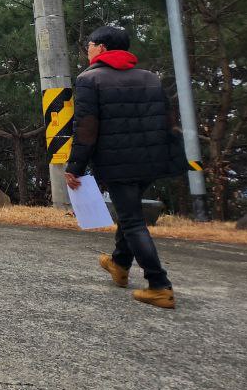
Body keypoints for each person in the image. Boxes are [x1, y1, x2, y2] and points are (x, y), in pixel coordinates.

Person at [66, 25, 178, 309]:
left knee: (132, 221)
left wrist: (75, 166)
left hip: (118, 163)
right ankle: (119, 264)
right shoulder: (149, 78)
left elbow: (86, 128)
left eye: (90, 45)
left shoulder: (90, 79)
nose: (88, 50)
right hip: (152, 161)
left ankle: (159, 285)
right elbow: (168, 121)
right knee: (130, 212)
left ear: (101, 48)